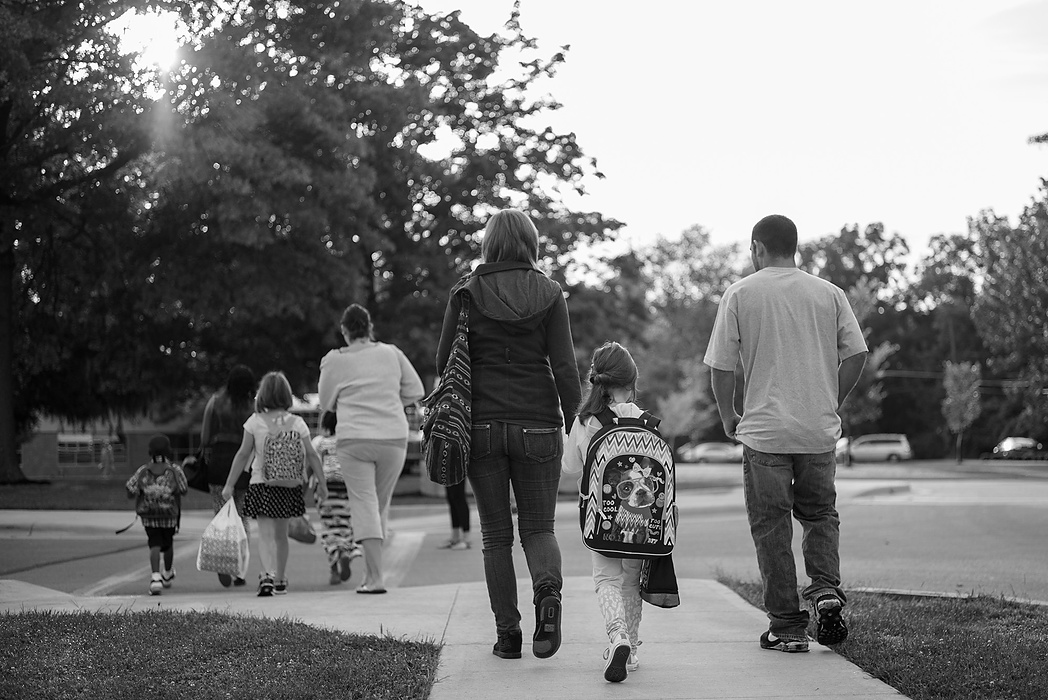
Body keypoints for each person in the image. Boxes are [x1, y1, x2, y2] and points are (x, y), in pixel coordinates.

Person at [703, 214, 868, 653]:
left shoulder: (740, 294)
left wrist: (728, 414)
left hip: (764, 435)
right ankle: (825, 590)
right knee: (819, 516)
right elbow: (857, 354)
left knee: (771, 527)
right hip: (817, 432)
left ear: (758, 247)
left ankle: (788, 628)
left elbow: (721, 366)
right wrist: (831, 400)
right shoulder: (829, 294)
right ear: (794, 246)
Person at [435, 208, 582, 660]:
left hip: (480, 427)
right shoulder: (549, 291)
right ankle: (548, 598)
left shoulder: (465, 292)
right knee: (538, 528)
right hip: (538, 422)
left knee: (496, 536)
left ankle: (508, 636)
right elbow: (563, 365)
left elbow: (444, 362)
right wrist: (577, 423)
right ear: (530, 244)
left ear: (490, 244)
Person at [318, 304, 425, 594]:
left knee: (364, 503)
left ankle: (375, 578)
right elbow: (416, 390)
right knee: (380, 504)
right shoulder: (392, 353)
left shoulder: (334, 360)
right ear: (369, 328)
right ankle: (372, 574)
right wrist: (388, 396)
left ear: (344, 331)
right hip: (393, 435)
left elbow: (326, 402)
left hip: (355, 438)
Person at [562, 341, 647, 683]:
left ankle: (618, 637)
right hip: (643, 520)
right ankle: (634, 650)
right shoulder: (643, 419)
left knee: (607, 580)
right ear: (630, 381)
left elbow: (569, 468)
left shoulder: (585, 421)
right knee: (632, 583)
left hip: (603, 518)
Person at [223, 371, 328, 597]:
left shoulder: (254, 422)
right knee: (281, 536)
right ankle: (280, 579)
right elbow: (311, 454)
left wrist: (229, 484)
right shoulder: (297, 423)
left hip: (262, 484)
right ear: (285, 395)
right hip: (289, 486)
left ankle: (265, 576)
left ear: (263, 395)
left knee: (265, 534)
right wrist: (322, 481)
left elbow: (243, 455)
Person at [194, 364, 257, 587]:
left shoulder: (216, 401)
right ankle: (240, 568)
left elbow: (205, 436)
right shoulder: (253, 405)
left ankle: (222, 565)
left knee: (221, 515)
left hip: (219, 462)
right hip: (244, 464)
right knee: (241, 518)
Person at [125, 434, 188, 595]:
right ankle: (167, 573)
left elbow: (130, 489)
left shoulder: (143, 470)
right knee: (167, 543)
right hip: (169, 515)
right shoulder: (174, 470)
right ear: (168, 451)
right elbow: (183, 489)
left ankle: (155, 578)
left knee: (154, 543)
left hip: (149, 516)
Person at [310, 410, 363, 585]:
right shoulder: (348, 443)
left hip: (324, 490)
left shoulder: (319, 443)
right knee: (345, 525)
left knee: (328, 528)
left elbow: (311, 465)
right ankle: (345, 552)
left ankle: (333, 570)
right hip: (345, 489)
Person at [438, 481, 472, 550]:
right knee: (451, 498)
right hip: (448, 470)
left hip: (457, 470)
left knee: (458, 497)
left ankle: (466, 538)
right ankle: (455, 537)